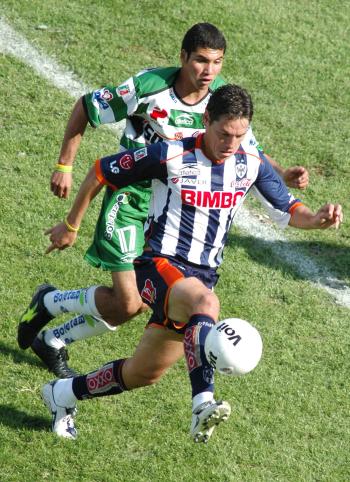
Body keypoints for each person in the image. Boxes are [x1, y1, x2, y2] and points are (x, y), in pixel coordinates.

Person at [40, 84, 341, 443]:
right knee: (206, 305)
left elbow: (288, 210)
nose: (231, 143)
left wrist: (317, 219)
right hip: (158, 264)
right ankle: (203, 403)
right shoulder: (170, 154)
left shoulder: (249, 164)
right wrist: (71, 225)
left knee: (142, 373)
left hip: (201, 277)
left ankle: (61, 395)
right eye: (224, 133)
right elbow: (102, 171)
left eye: (240, 135)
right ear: (206, 120)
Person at [18, 23, 309, 378]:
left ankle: (51, 320)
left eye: (216, 62)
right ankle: (52, 320)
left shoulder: (221, 101)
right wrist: (64, 165)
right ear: (183, 57)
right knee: (127, 303)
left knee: (134, 305)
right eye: (201, 60)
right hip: (130, 199)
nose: (209, 71)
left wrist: (280, 173)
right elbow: (86, 107)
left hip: (173, 210)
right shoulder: (148, 88)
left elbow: (248, 147)